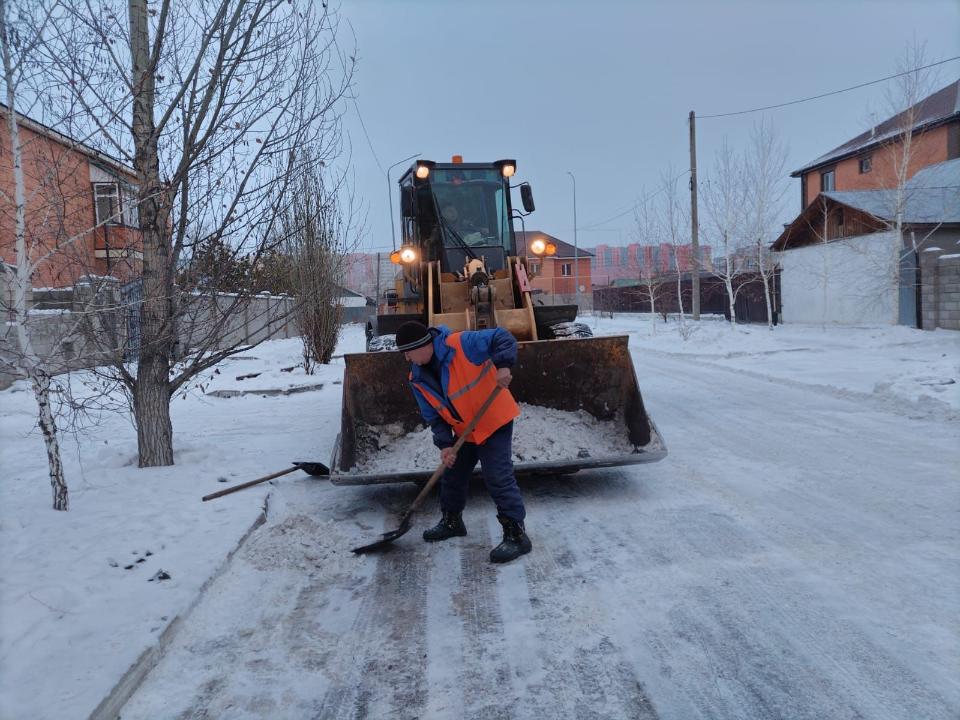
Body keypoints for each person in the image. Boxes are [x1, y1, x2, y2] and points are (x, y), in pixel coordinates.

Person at [395, 320, 532, 564]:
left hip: (493, 420)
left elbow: (501, 336)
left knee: (497, 476)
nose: (406, 358)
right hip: (466, 430)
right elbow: (434, 416)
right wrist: (445, 445)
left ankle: (516, 534)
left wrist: (503, 366)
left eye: (408, 352)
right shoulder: (417, 378)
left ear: (422, 346)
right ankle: (452, 522)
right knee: (453, 473)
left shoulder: (460, 344)